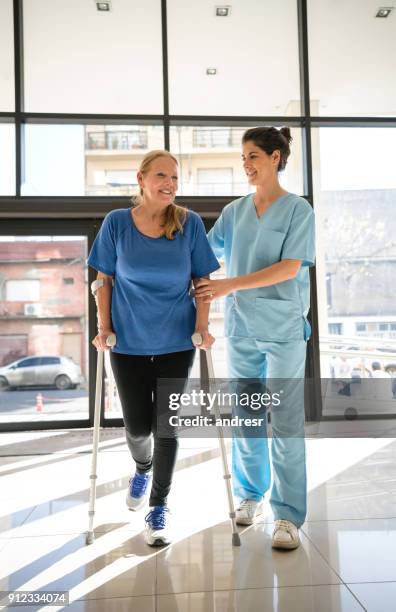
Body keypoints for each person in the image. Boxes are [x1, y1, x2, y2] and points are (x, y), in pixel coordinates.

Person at [87, 150, 219, 546]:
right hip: (127, 343)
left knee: (167, 426)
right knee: (137, 427)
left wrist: (202, 328)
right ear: (141, 179)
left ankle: (158, 508)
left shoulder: (189, 224)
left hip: (178, 342)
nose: (170, 184)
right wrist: (103, 327)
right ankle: (142, 468)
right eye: (162, 175)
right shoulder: (116, 224)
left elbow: (202, 282)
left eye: (175, 178)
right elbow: (103, 280)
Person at [195, 127, 315, 550]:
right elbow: (203, 256)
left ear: (277, 157)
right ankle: (251, 496)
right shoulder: (234, 212)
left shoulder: (298, 210)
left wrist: (229, 286)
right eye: (243, 157)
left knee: (283, 421)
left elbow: (289, 269)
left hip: (283, 328)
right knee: (246, 417)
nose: (246, 165)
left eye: (254, 157)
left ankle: (288, 516)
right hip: (242, 327)